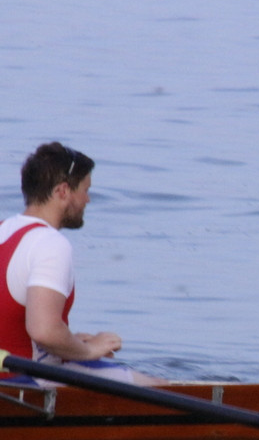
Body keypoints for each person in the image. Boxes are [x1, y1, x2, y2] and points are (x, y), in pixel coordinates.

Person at [1, 142, 160, 385]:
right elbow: (44, 331)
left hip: (14, 370)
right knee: (161, 389)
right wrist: (89, 350)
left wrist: (70, 343)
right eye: (85, 190)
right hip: (25, 384)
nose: (88, 200)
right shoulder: (49, 244)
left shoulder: (4, 230)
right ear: (63, 192)